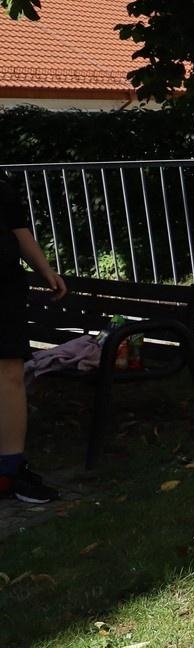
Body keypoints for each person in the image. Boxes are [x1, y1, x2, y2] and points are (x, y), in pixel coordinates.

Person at [0, 175, 67, 503]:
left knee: (9, 374)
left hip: (4, 289)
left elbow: (17, 227)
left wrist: (45, 269)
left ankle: (9, 472)